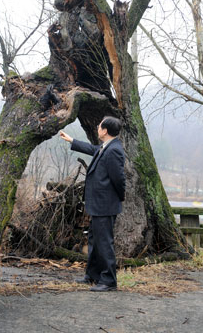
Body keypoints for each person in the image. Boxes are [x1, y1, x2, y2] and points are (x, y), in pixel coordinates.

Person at [60, 116, 125, 292]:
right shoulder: (106, 147)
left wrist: (118, 198)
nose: (97, 128)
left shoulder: (114, 151)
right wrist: (71, 140)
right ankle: (93, 276)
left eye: (99, 126)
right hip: (99, 204)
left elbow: (119, 179)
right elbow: (92, 149)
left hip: (105, 205)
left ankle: (109, 281)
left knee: (104, 242)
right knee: (94, 240)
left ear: (105, 131)